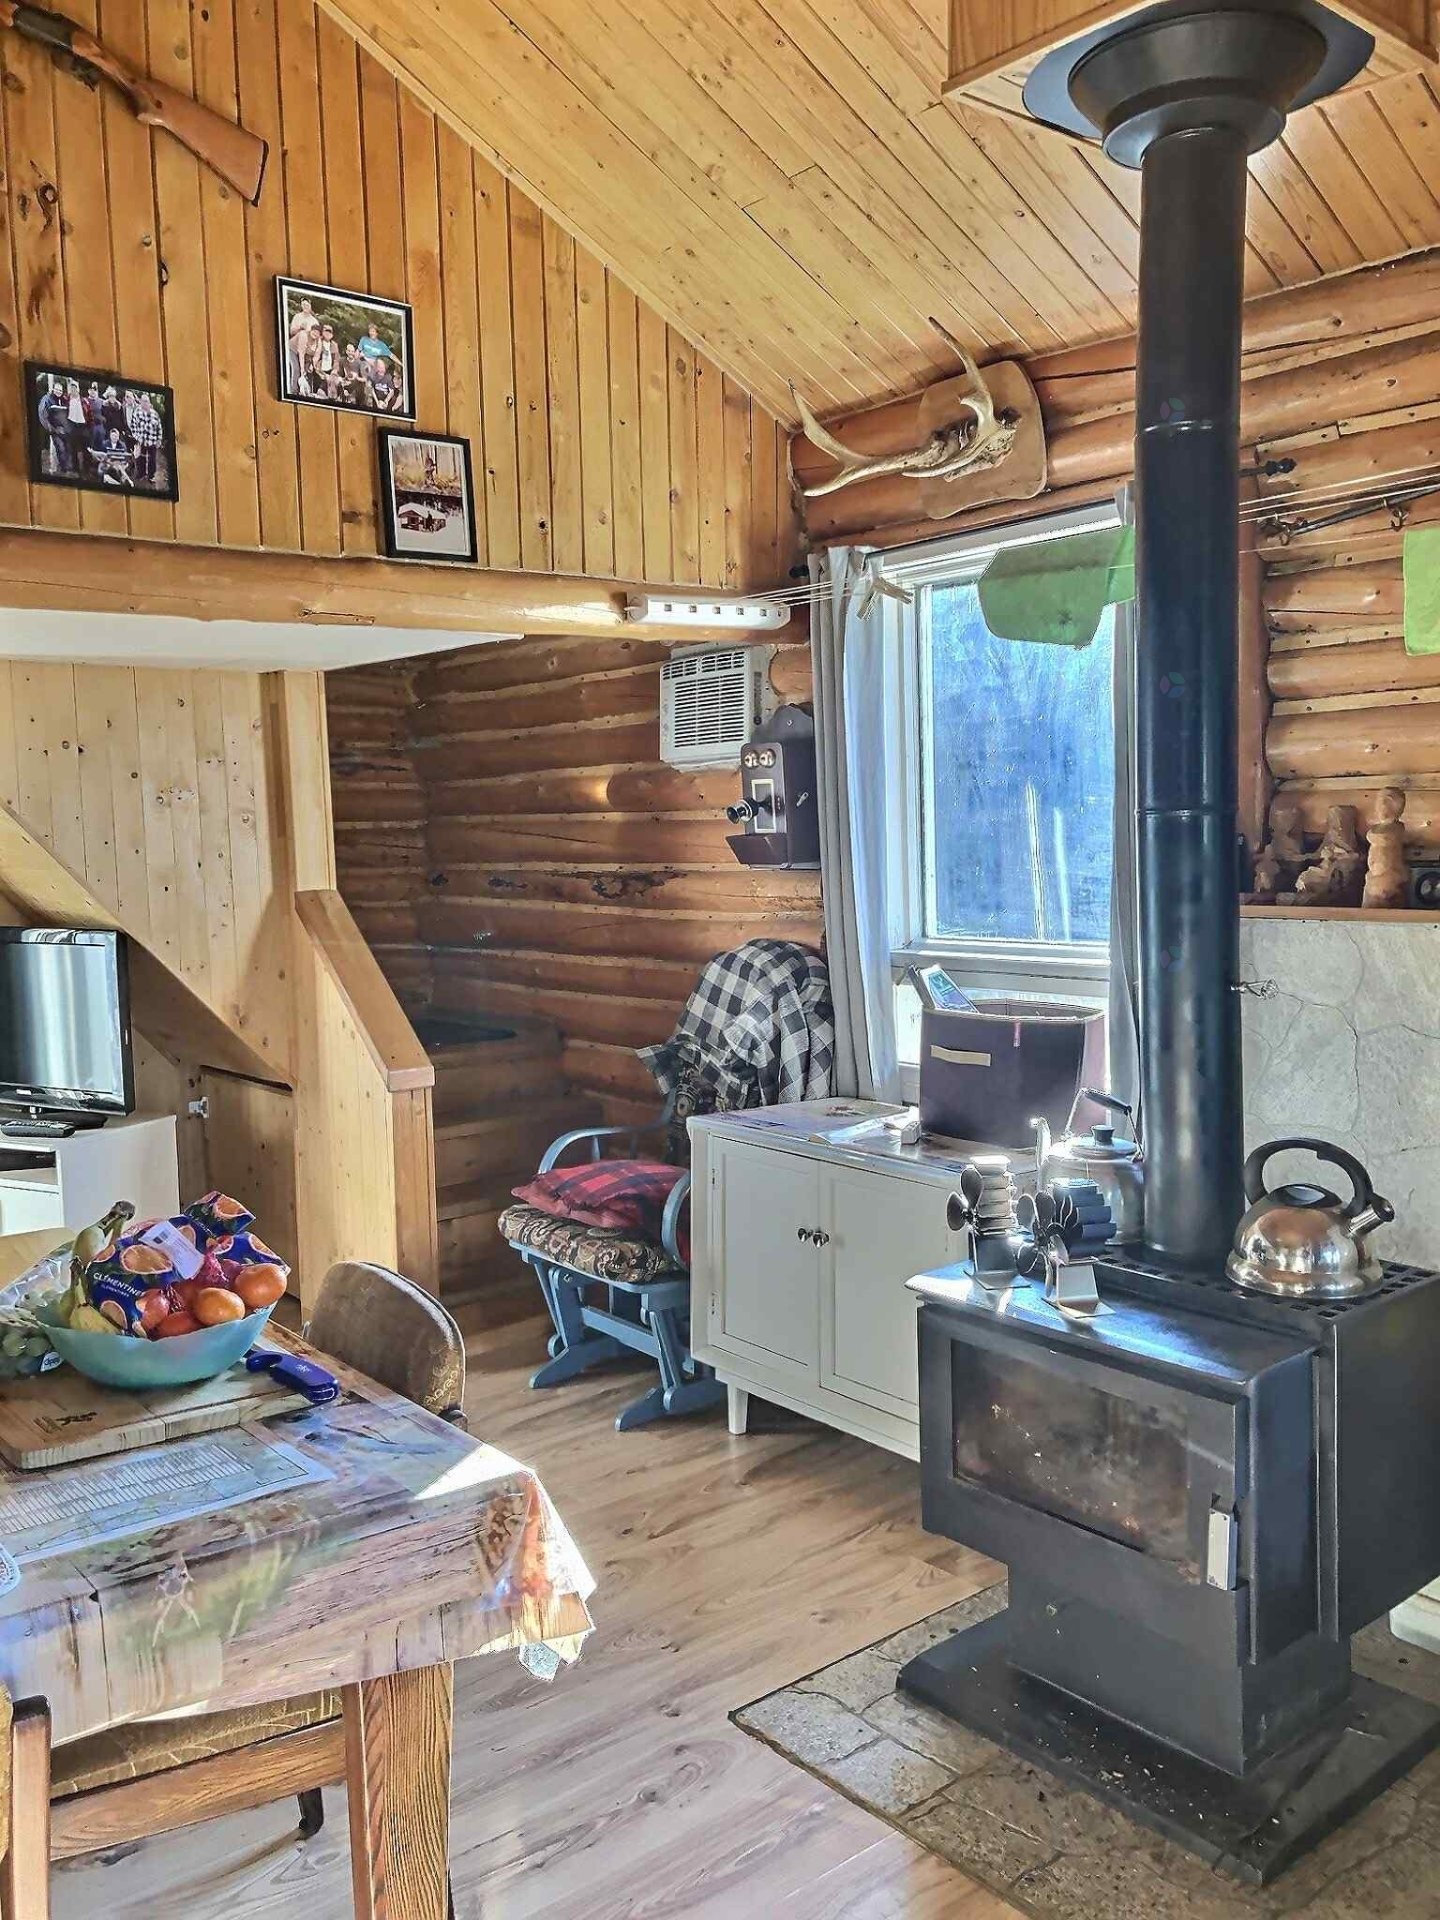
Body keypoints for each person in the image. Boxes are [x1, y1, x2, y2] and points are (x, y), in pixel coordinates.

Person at [357, 322, 405, 407]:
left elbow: (391, 355)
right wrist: (357, 357)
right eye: (370, 331)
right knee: (366, 366)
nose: (371, 333)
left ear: (377, 333)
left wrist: (402, 364)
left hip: (375, 365)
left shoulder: (381, 345)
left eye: (373, 331)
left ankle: (373, 397)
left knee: (376, 369)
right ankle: (367, 387)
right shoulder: (364, 340)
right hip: (364, 361)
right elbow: (358, 351)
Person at [128, 390, 165, 487]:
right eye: (143, 401)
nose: (145, 403)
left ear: (149, 402)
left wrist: (159, 440)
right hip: (141, 441)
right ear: (140, 402)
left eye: (146, 401)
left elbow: (159, 428)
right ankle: (142, 474)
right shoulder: (137, 413)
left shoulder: (154, 414)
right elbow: (133, 427)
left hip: (152, 441)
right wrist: (137, 437)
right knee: (141, 458)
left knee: (152, 459)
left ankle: (151, 476)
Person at [36, 375, 70, 476]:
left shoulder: (64, 400)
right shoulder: (47, 399)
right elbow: (43, 416)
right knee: (60, 448)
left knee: (67, 449)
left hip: (65, 431)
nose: (58, 391)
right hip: (55, 431)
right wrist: (53, 429)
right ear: (53, 389)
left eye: (60, 390)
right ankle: (63, 470)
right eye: (57, 389)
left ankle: (66, 468)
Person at [287, 296, 321, 397]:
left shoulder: (314, 321)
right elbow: (291, 332)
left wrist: (313, 364)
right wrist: (300, 327)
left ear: (310, 306)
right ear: (301, 305)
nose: (305, 306)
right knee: (297, 369)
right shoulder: (297, 317)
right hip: (294, 347)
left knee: (309, 370)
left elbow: (317, 352)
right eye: (304, 304)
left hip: (308, 350)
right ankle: (293, 392)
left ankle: (307, 393)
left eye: (307, 305)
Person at [64, 380, 90, 478]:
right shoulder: (67, 400)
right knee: (73, 449)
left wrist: (89, 426)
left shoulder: (84, 401)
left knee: (85, 450)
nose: (73, 390)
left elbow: (89, 414)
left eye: (75, 388)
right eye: (72, 388)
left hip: (83, 426)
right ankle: (76, 470)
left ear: (78, 390)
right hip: (72, 425)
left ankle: (86, 470)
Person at [310, 323, 342, 399]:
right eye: (326, 331)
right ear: (322, 332)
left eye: (329, 332)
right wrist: (317, 369)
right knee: (316, 392)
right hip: (318, 371)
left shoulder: (334, 345)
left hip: (330, 372)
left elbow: (337, 359)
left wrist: (335, 370)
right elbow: (313, 356)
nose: (328, 333)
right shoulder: (317, 341)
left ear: (332, 335)